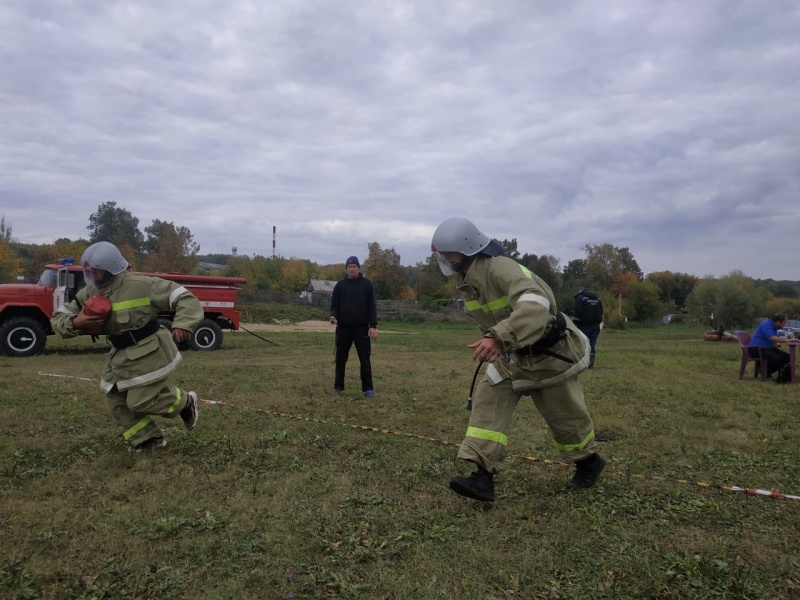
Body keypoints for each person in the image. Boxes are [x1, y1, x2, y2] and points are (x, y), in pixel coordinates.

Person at [431, 217, 605, 502]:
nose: (447, 259)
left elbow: (536, 305)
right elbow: (489, 319)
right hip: (511, 354)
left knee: (565, 417)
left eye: (449, 253)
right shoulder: (468, 281)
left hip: (549, 353)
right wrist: (497, 343)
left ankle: (589, 463)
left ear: (467, 248)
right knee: (488, 401)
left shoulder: (501, 268)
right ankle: (482, 477)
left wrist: (498, 337)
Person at [51, 241, 204, 451]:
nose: (93, 276)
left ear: (111, 269)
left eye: (97, 272)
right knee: (115, 399)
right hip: (119, 355)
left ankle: (185, 402)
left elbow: (183, 297)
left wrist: (184, 323)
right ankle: (147, 439)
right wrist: (75, 323)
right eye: (90, 272)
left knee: (139, 401)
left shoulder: (141, 285)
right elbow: (59, 316)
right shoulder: (90, 293)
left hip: (149, 351)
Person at [329, 255, 379, 397]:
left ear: (358, 268)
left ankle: (368, 389)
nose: (352, 269)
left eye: (354, 266)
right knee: (340, 358)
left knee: (364, 359)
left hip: (361, 328)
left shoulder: (367, 284)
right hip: (344, 328)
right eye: (349, 267)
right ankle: (338, 386)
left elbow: (371, 307)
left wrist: (373, 326)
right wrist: (333, 316)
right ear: (346, 269)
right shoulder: (340, 285)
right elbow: (334, 306)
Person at [749, 313, 794, 383]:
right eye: (784, 323)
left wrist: (775, 343)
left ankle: (783, 376)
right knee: (777, 359)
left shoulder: (773, 326)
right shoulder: (766, 325)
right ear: (778, 322)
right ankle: (763, 370)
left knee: (788, 357)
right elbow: (771, 337)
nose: (784, 325)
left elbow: (769, 338)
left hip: (767, 348)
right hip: (756, 349)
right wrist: (787, 340)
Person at [573, 286, 604, 368]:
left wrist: (574, 323)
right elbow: (601, 312)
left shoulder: (580, 298)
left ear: (580, 291)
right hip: (595, 326)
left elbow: (578, 313)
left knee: (582, 344)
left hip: (583, 325)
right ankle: (591, 362)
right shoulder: (598, 299)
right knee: (592, 344)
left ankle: (582, 363)